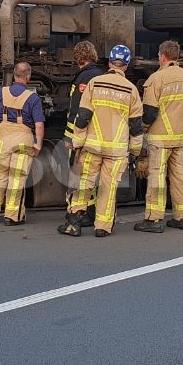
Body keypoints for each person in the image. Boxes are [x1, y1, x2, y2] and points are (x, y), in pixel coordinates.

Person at [58, 44, 144, 237]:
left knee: (83, 183)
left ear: (110, 62)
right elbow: (136, 127)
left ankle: (73, 224)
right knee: (108, 187)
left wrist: (78, 143)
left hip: (92, 147)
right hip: (117, 151)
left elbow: (82, 117)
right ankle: (103, 228)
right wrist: (136, 153)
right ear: (127, 66)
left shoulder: (95, 83)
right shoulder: (132, 90)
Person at [134, 39, 183, 233]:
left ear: (162, 56)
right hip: (180, 139)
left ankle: (154, 220)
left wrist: (144, 129)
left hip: (160, 139)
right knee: (180, 177)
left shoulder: (156, 79)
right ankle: (182, 217)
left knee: (157, 178)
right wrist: (182, 121)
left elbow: (149, 112)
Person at [0, 62, 45, 225]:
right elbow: (38, 124)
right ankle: (12, 216)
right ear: (28, 77)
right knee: (16, 178)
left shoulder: (0, 92)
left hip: (2, 138)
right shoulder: (33, 98)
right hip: (23, 140)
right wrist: (38, 144)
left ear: (14, 75)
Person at [63, 40, 104, 226]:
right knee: (91, 175)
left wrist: (69, 136)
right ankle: (91, 210)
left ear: (78, 57)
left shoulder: (83, 78)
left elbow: (76, 109)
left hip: (81, 135)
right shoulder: (101, 75)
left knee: (77, 173)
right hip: (98, 134)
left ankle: (76, 213)